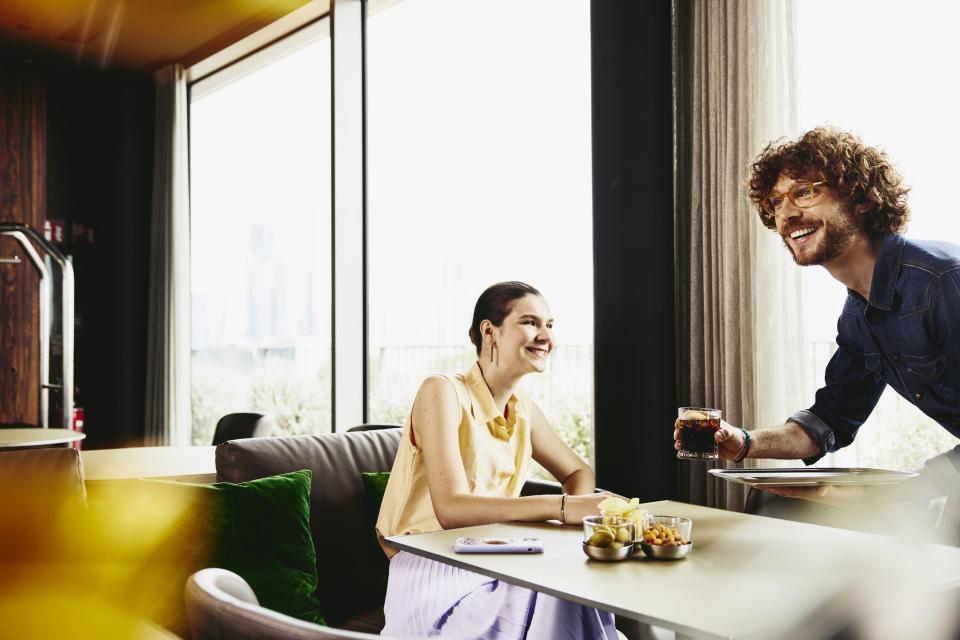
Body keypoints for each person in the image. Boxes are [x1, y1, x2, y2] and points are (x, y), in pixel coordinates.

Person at [675, 126, 960, 513]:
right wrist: (743, 441)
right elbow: (828, 422)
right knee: (774, 504)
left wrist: (907, 490)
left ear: (860, 200)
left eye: (805, 192)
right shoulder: (859, 317)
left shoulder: (943, 281)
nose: (787, 213)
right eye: (775, 202)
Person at [375, 281, 619, 639]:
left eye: (550, 325)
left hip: (496, 561)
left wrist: (575, 522)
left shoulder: (524, 411)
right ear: (490, 331)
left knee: (572, 587)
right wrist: (565, 507)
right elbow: (451, 510)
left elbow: (578, 471)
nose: (545, 336)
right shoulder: (441, 390)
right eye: (530, 322)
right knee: (562, 593)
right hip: (431, 570)